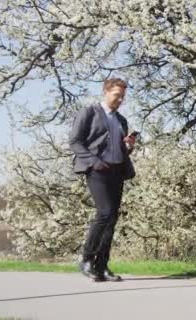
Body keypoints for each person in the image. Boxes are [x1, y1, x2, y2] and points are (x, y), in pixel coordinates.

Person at [69, 78, 136, 282]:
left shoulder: (121, 120)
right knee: (104, 212)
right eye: (117, 95)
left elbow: (122, 150)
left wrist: (129, 146)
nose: (120, 99)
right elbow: (75, 141)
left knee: (112, 218)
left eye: (123, 96)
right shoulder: (89, 112)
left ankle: (102, 266)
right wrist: (93, 161)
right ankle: (87, 259)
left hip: (117, 171)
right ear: (106, 92)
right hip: (97, 170)